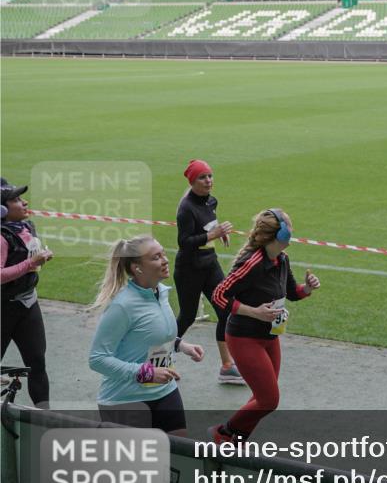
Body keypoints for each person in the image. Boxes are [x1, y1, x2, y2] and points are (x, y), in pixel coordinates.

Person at [209, 209, 320, 443]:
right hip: (244, 338)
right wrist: (255, 313)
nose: (292, 230)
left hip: (270, 337)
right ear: (279, 233)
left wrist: (307, 288)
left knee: (263, 398)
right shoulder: (253, 263)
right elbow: (219, 295)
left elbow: (292, 293)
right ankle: (223, 434)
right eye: (289, 226)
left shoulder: (282, 259)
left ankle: (237, 439)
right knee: (269, 400)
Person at [89, 235, 205, 435]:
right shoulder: (122, 305)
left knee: (177, 452)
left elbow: (152, 335)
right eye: (156, 257)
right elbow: (97, 359)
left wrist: (180, 345)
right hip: (126, 398)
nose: (165, 260)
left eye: (163, 254)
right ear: (137, 268)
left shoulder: (159, 292)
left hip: (164, 391)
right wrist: (146, 372)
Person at [174, 159, 242, 384]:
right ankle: (157, 353)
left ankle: (227, 366)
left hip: (209, 264)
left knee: (225, 310)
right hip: (189, 269)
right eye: (203, 177)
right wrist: (213, 234)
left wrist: (219, 231)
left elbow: (209, 221)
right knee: (187, 316)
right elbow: (185, 242)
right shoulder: (186, 208)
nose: (208, 180)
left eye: (210, 176)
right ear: (193, 181)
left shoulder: (211, 201)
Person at [1, 178, 54, 408]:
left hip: (27, 304)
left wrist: (39, 258)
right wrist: (31, 263)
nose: (24, 203)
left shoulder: (25, 227)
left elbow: (28, 261)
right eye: (16, 199)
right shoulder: (1, 236)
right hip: (3, 309)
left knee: (36, 364)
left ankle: (45, 418)